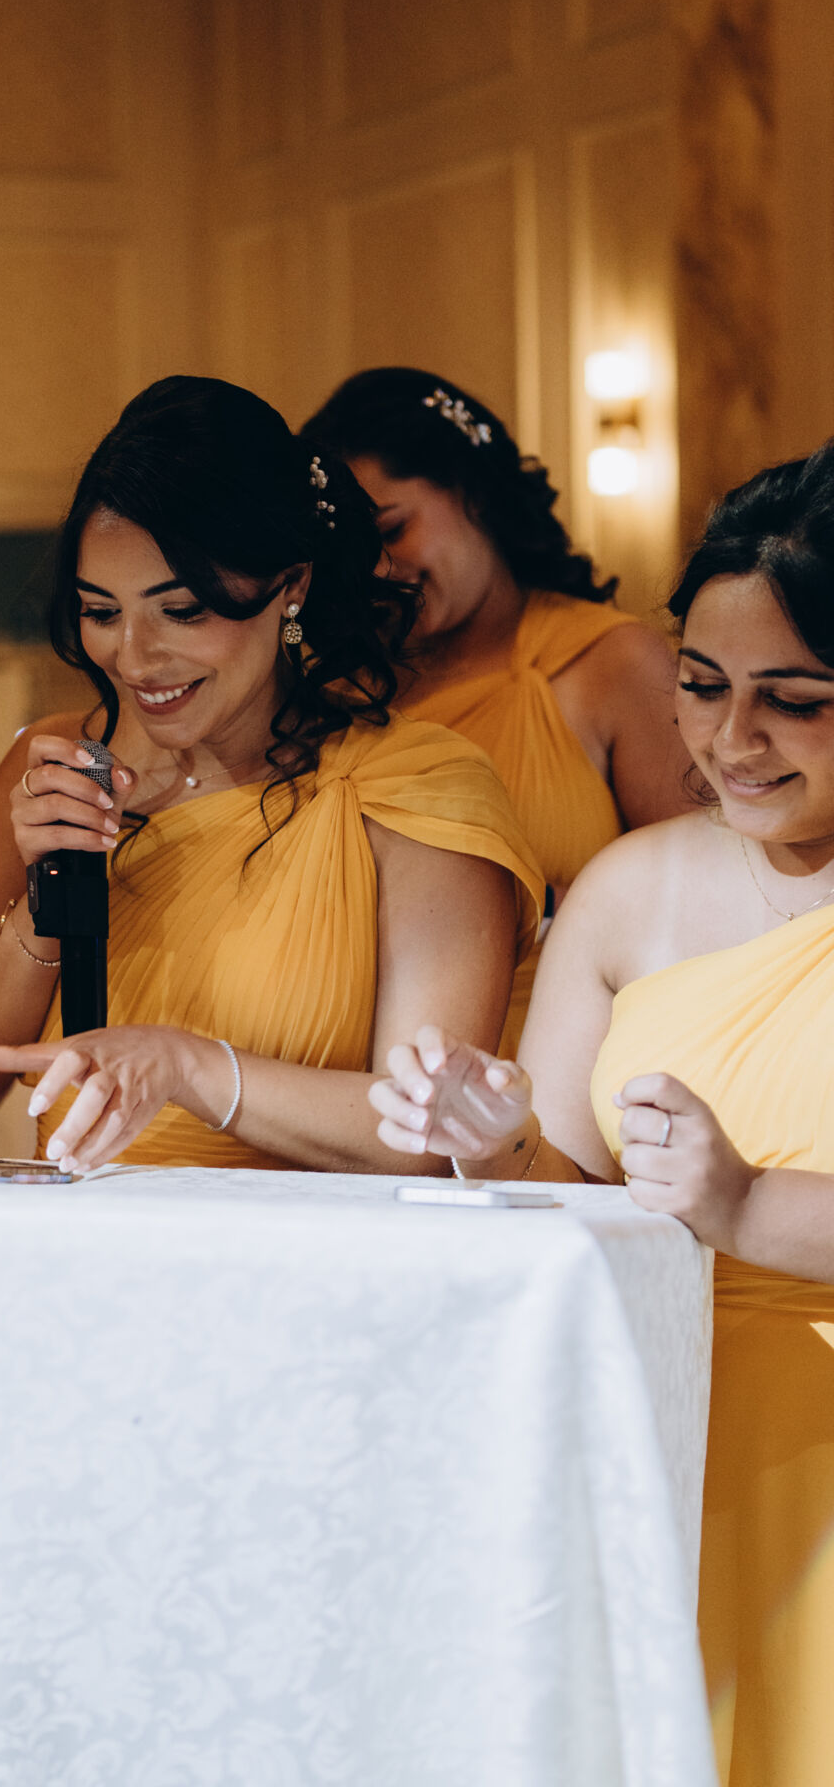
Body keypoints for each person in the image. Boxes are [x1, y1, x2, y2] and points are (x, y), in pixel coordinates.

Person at [370, 442, 834, 1787]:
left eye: (793, 701)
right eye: (701, 685)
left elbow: (720, 1199)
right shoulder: (631, 888)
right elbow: (565, 1197)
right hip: (659, 1432)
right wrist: (492, 1138)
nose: (729, 741)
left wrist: (747, 1204)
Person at [0, 374, 543, 1172]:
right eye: (101, 612)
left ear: (292, 586)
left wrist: (193, 1068)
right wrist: (47, 907)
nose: (134, 658)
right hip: (82, 1239)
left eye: (182, 611)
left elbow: (425, 1136)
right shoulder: (58, 763)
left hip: (309, 1247)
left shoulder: (412, 788)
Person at [303, 366, 691, 1044]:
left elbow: (703, 894)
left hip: (569, 1060)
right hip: (372, 1073)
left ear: (473, 492)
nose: (376, 569)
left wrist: (535, 906)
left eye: (391, 529)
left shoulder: (611, 663)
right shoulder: (341, 695)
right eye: (352, 549)